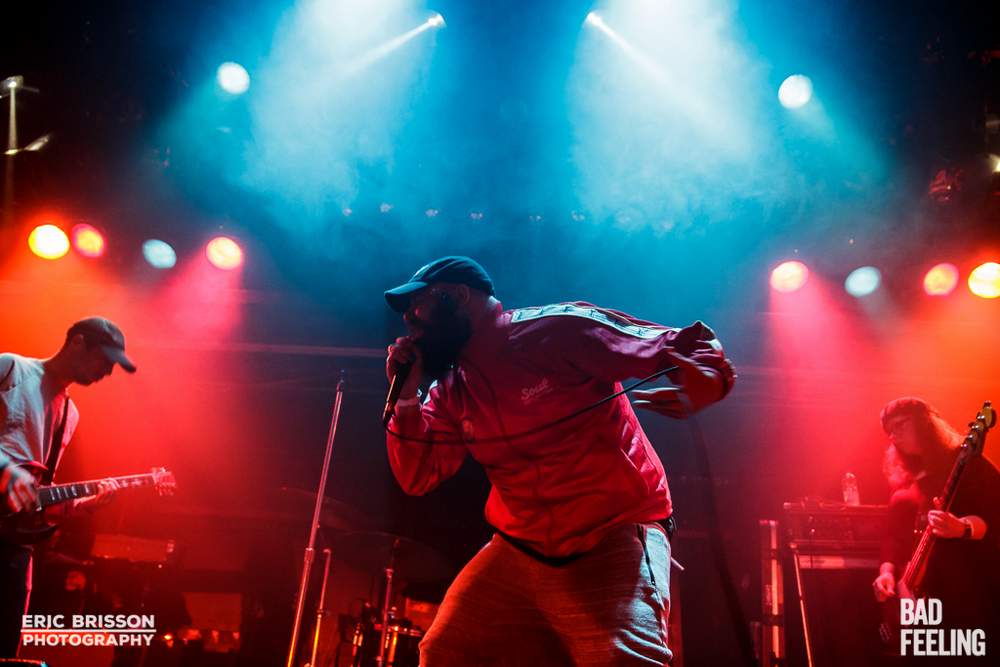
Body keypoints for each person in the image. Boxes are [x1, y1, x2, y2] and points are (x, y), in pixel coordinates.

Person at [383, 256, 735, 666]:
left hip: (612, 536)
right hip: (519, 548)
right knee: (445, 652)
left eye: (418, 305)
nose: (409, 319)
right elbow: (417, 475)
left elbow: (684, 344)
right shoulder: (451, 388)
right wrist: (406, 396)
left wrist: (707, 378)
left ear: (458, 296)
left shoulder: (557, 329)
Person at [0, 316, 137, 657]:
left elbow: (38, 494)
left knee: (4, 643)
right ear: (77, 342)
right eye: (103, 360)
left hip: (13, 544)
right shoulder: (10, 368)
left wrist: (81, 506)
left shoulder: (69, 414)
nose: (106, 372)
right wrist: (4, 468)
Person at [871, 397, 1000, 647]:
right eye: (890, 431)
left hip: (968, 599)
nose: (894, 435)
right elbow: (893, 538)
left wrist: (963, 528)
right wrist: (885, 573)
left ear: (925, 423)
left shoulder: (966, 464)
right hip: (920, 604)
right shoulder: (904, 490)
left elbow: (995, 514)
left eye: (901, 424)